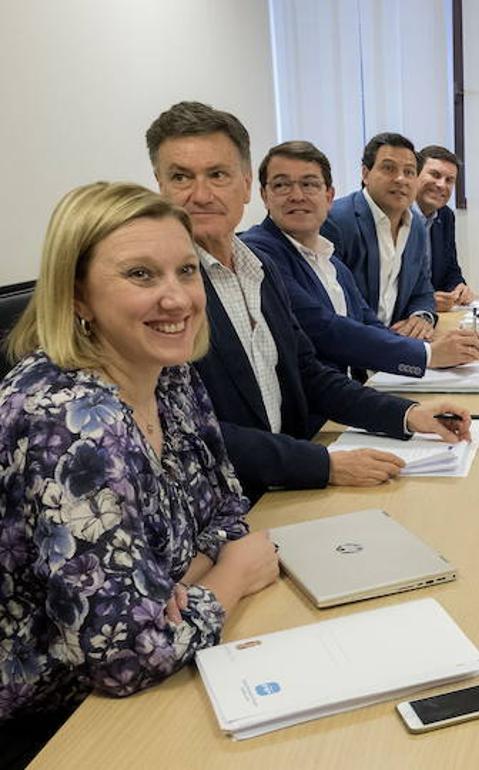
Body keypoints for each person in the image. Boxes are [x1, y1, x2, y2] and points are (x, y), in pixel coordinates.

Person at [0, 182, 280, 766]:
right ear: (78, 296)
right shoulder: (72, 422)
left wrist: (171, 583)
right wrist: (229, 577)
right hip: (55, 723)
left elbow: (228, 508)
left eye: (186, 271)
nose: (177, 300)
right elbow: (126, 655)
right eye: (141, 275)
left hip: (158, 671)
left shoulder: (168, 371)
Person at [145, 102, 472, 504]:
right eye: (181, 177)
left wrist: (406, 415)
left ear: (244, 185)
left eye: (217, 175)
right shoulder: (161, 296)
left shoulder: (259, 267)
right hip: (228, 503)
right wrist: (324, 465)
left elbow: (308, 374)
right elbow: (188, 429)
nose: (201, 194)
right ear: (160, 186)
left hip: (287, 482)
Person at [240, 141, 479, 379]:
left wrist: (430, 346)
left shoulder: (329, 259)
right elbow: (324, 328)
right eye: (282, 185)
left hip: (362, 373)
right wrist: (426, 355)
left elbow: (369, 318)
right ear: (263, 195)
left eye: (309, 184)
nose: (297, 195)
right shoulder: (260, 252)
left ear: (328, 195)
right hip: (336, 384)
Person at [322, 132, 438, 339]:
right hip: (354, 346)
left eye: (409, 172)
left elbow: (423, 289)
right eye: (389, 168)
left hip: (395, 343)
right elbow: (337, 306)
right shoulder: (337, 221)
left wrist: (421, 317)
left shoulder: (416, 226)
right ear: (365, 174)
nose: (401, 179)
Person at [413, 145, 475, 312]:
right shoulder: (397, 214)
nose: (441, 185)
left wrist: (459, 287)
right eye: (435, 175)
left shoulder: (445, 216)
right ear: (415, 175)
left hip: (435, 314)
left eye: (449, 180)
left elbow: (450, 269)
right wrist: (425, 300)